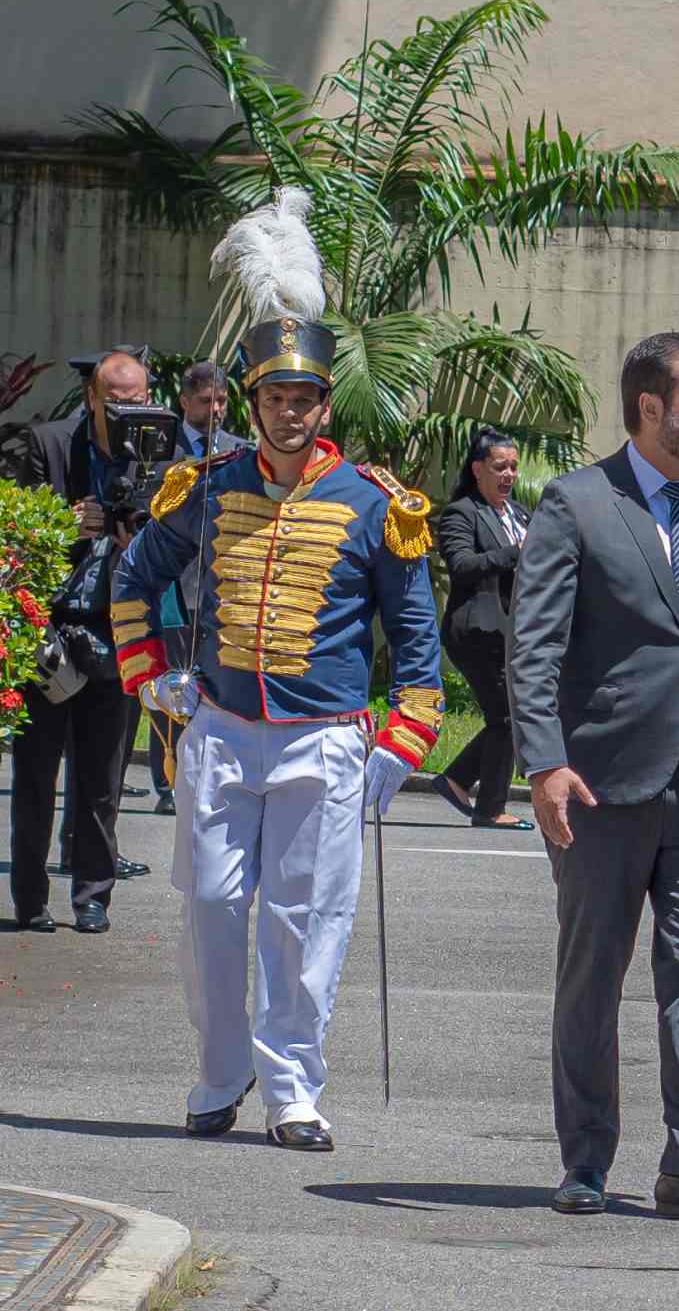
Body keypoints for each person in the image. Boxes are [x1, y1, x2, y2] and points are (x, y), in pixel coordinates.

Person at [112, 187, 443, 1151]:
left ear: (324, 404)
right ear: (250, 401)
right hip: (219, 731)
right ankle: (220, 1072)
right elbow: (137, 578)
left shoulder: (380, 505)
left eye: (304, 398)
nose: (289, 412)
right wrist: (150, 677)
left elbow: (413, 634)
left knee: (304, 923)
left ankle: (293, 1086)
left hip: (326, 741)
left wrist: (404, 737)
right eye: (274, 397)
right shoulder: (206, 489)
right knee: (213, 908)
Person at [509, 330, 679, 1221]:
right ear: (649, 409)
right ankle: (586, 1159)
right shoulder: (577, 504)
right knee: (593, 974)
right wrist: (545, 760)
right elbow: (535, 647)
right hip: (602, 786)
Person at [13, 347, 153, 932]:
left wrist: (135, 537)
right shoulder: (46, 445)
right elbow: (14, 526)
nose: (130, 413)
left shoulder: (153, 456)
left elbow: (168, 540)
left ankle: (93, 894)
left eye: (139, 401)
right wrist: (62, 523)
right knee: (35, 774)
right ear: (92, 397)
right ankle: (29, 897)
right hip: (48, 629)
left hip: (114, 631)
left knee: (102, 778)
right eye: (118, 402)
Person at [140, 360, 249, 815]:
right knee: (173, 680)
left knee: (211, 679)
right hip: (172, 585)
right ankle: (167, 778)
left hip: (219, 585)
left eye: (221, 400)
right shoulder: (161, 449)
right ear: (185, 401)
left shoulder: (241, 450)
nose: (216, 409)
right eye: (206, 401)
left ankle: (205, 771)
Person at [431, 426, 534, 829]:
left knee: (508, 715)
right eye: (499, 467)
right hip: (475, 632)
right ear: (478, 469)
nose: (509, 475)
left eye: (513, 467)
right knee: (508, 716)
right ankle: (489, 808)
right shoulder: (462, 513)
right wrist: (515, 553)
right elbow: (461, 566)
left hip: (511, 633)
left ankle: (456, 780)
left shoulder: (520, 513)